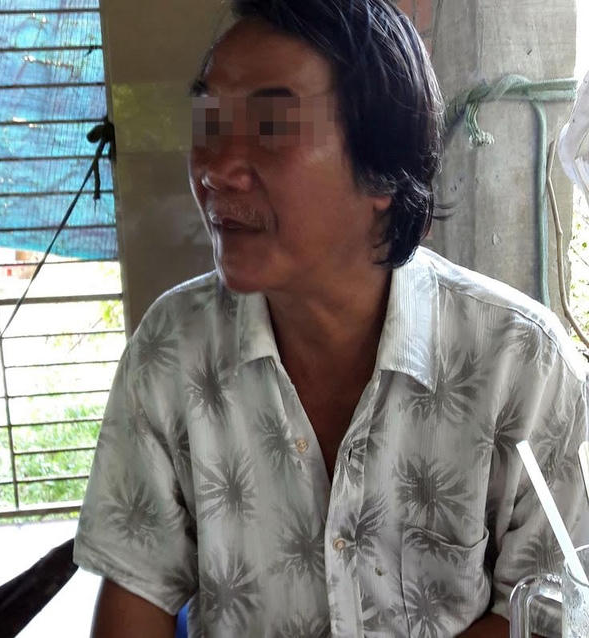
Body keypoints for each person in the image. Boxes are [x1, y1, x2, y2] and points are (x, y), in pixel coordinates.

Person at [73, 1, 589, 636]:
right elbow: (136, 595)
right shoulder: (173, 351)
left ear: (382, 171)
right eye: (209, 121)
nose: (215, 168)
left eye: (270, 126)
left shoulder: (522, 365)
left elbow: (548, 610)